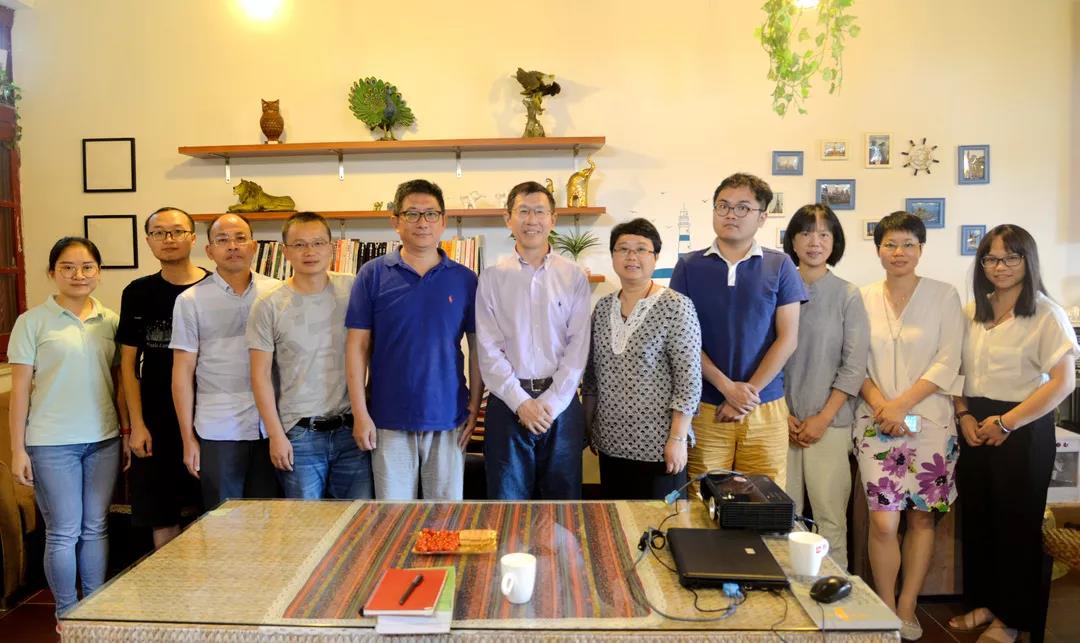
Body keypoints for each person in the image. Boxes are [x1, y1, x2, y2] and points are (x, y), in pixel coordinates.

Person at [949, 225, 1079, 643]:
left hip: (1022, 427)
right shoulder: (973, 310)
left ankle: (1012, 618)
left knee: (1016, 525)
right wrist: (964, 414)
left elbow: (1063, 382)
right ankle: (984, 603)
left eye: (1010, 257)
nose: (999, 266)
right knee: (979, 520)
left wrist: (1007, 422)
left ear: (1028, 260)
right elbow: (956, 371)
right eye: (990, 258)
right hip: (974, 423)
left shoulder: (1045, 313)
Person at [854, 211, 965, 641]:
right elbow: (854, 360)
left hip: (931, 423)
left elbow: (948, 360)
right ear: (878, 249)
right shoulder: (861, 297)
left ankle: (907, 606)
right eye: (890, 244)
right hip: (876, 421)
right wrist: (883, 406)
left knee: (921, 519)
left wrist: (901, 405)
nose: (899, 252)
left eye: (908, 244)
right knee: (883, 520)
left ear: (921, 249)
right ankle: (885, 605)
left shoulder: (944, 295)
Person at [7, 237, 130, 619]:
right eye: (68, 267)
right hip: (51, 443)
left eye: (87, 267)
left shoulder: (110, 320)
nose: (79, 274)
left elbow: (120, 383)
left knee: (95, 527)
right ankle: (66, 614)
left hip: (103, 440)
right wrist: (17, 449)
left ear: (99, 272)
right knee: (64, 530)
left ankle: (93, 610)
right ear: (52, 272)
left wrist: (125, 433)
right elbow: (20, 391)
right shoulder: (31, 322)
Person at [670, 173, 805, 495]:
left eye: (743, 207)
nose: (731, 214)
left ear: (762, 217)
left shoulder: (780, 265)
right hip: (705, 406)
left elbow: (788, 338)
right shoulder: (689, 266)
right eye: (723, 206)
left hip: (765, 405)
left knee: (765, 499)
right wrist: (727, 388)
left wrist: (746, 395)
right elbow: (682, 340)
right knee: (703, 499)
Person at [345, 180, 481, 500]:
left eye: (431, 214)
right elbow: (356, 347)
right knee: (393, 516)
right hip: (388, 417)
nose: (423, 222)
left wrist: (474, 406)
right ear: (395, 221)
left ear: (443, 221)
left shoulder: (465, 279)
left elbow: (478, 348)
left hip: (448, 416)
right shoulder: (372, 275)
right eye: (412, 214)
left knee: (446, 515)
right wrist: (360, 413)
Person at [475, 180, 591, 500]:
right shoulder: (492, 278)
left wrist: (550, 403)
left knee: (563, 506)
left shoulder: (573, 276)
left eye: (540, 212)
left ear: (553, 219)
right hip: (507, 403)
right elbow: (487, 349)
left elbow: (578, 346)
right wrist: (521, 402)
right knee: (506, 505)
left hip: (562, 404)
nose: (532, 220)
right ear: (508, 218)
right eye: (523, 211)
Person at [249, 212, 373, 499]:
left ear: (332, 248)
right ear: (285, 252)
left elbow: (372, 348)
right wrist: (276, 435)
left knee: (357, 517)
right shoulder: (268, 304)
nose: (310, 252)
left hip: (351, 427)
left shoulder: (353, 289)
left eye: (318, 243)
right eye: (299, 244)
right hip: (299, 433)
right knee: (305, 521)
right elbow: (260, 376)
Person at [582, 218, 702, 500]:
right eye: (623, 248)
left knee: (660, 523)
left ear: (655, 256)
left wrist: (677, 439)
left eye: (641, 249)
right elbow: (592, 376)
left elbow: (689, 380)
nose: (631, 256)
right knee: (616, 519)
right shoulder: (603, 308)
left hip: (659, 446)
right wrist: (588, 429)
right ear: (613, 256)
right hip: (610, 442)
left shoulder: (676, 306)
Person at [781, 204, 869, 570]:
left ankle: (835, 595)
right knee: (781, 518)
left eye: (823, 234)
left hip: (830, 424)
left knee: (830, 519)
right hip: (781, 422)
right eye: (805, 233)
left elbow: (854, 366)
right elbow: (764, 356)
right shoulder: (778, 288)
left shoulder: (848, 294)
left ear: (835, 242)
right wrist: (782, 413)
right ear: (792, 241)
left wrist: (823, 417)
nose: (814, 242)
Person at [171, 213, 280, 508]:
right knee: (223, 523)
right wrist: (188, 439)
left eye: (240, 238)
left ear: (254, 246)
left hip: (273, 427)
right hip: (219, 428)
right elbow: (182, 374)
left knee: (272, 520)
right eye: (222, 240)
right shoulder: (190, 300)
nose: (233, 246)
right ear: (209, 251)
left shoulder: (277, 292)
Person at [118, 207, 209, 549]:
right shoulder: (137, 292)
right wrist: (136, 426)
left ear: (193, 238)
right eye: (159, 233)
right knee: (161, 513)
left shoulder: (213, 287)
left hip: (207, 416)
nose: (168, 239)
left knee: (208, 510)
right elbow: (128, 366)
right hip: (155, 419)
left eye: (177, 231)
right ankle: (167, 582)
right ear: (148, 241)